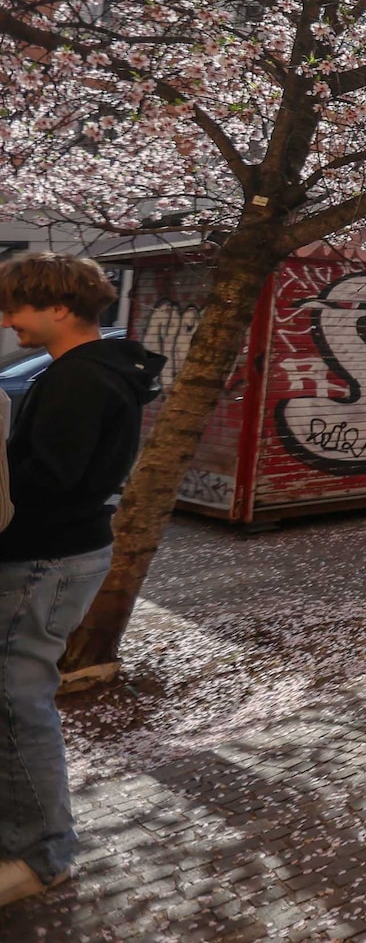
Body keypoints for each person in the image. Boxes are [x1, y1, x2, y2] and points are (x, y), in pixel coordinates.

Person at [0, 253, 164, 909]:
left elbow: (48, 479)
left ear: (60, 308)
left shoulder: (78, 380)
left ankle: (42, 856)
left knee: (17, 703)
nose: (8, 318)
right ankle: (29, 837)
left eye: (18, 306)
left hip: (46, 557)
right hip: (58, 554)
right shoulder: (85, 370)